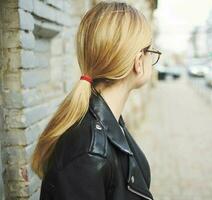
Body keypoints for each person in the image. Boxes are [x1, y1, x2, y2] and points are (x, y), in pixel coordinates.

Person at [30, 1, 161, 199]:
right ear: (138, 62)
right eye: (151, 52)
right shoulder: (89, 152)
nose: (153, 58)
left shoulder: (109, 119)